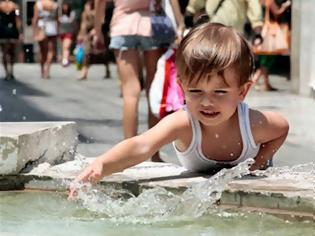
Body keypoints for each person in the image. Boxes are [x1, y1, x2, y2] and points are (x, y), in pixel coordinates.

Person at [68, 23, 289, 198]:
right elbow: (141, 145)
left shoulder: (250, 124)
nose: (207, 102)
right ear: (182, 87)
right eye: (195, 91)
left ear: (242, 92)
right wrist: (102, 164)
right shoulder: (184, 123)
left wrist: (258, 163)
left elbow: (282, 128)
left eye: (220, 92)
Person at [93, 0, 184, 161]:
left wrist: (98, 30)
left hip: (121, 27)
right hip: (149, 27)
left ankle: (128, 155)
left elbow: (99, 2)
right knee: (152, 89)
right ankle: (154, 153)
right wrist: (180, 23)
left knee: (130, 92)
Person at [252, 0, 291, 91]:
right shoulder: (270, 1)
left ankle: (264, 83)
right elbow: (276, 13)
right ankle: (257, 80)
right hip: (270, 33)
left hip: (264, 32)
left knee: (266, 59)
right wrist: (284, 6)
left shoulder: (261, 2)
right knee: (268, 59)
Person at [184, 0, 264, 42]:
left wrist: (190, 12)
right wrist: (257, 28)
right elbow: (254, 5)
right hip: (232, 31)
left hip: (217, 29)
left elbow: (253, 4)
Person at [32, 0, 58, 79]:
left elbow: (35, 18)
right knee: (51, 51)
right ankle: (47, 70)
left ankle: (43, 70)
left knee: (43, 51)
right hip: (52, 27)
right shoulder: (54, 5)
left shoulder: (38, 4)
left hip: (42, 27)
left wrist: (34, 31)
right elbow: (57, 19)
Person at [0, 0, 22, 80]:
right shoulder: (15, 7)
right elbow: (17, 19)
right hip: (12, 30)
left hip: (2, 30)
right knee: (12, 52)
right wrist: (20, 32)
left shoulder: (0, 6)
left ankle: (7, 72)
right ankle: (11, 71)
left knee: (4, 52)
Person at [59, 2, 76, 67]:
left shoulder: (72, 14)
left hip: (69, 33)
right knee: (64, 47)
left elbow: (73, 23)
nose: (65, 8)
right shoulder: (60, 14)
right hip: (62, 33)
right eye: (64, 6)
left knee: (66, 46)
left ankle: (65, 60)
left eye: (66, 6)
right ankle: (66, 59)